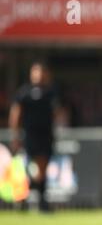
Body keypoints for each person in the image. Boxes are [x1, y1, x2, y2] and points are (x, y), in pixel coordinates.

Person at [9, 61, 63, 212]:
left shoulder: (50, 92)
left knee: (43, 168)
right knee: (29, 166)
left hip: (46, 135)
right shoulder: (24, 92)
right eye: (35, 71)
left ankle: (41, 200)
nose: (38, 75)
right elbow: (16, 113)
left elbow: (57, 112)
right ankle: (25, 197)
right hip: (30, 135)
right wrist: (15, 134)